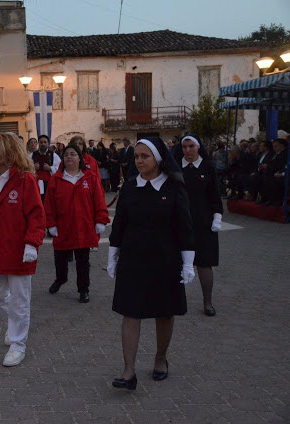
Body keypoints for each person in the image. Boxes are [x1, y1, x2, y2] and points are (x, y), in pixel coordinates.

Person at [107, 137, 194, 390]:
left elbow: (185, 227)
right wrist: (112, 256)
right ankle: (128, 371)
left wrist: (188, 263)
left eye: (145, 156)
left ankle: (160, 359)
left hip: (165, 260)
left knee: (164, 313)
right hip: (133, 260)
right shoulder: (130, 188)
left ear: (158, 158)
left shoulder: (174, 187)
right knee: (130, 312)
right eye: (136, 156)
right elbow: (120, 224)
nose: (139, 161)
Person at [0, 132, 45, 367]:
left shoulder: (25, 180)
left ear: (10, 150)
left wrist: (32, 243)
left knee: (20, 298)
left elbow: (36, 214)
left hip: (19, 250)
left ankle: (18, 344)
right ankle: (16, 321)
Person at [44, 143, 109, 303]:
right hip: (63, 226)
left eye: (73, 154)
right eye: (66, 154)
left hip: (83, 226)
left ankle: (83, 289)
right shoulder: (56, 179)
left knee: (82, 261)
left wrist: (101, 219)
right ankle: (60, 279)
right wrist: (50, 224)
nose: (69, 157)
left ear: (80, 158)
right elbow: (49, 204)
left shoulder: (90, 178)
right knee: (60, 258)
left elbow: (99, 200)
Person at [173, 135, 223, 316]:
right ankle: (173, 302)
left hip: (203, 222)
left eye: (191, 146)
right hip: (180, 221)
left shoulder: (208, 166)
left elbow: (215, 194)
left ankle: (208, 303)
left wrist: (217, 217)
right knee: (175, 263)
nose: (188, 150)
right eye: (185, 147)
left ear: (198, 147)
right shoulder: (176, 166)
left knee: (204, 263)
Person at [30, 134, 61, 200]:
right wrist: (33, 168)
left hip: (49, 183)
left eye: (45, 142)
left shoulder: (54, 155)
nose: (43, 144)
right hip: (35, 182)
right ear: (38, 143)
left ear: (48, 143)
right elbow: (25, 168)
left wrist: (50, 168)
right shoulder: (32, 155)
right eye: (41, 142)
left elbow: (60, 168)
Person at [262, 138, 288, 206]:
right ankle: (267, 198)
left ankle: (275, 200)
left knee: (270, 178)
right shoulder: (275, 153)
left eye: (276, 146)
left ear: (281, 146)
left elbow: (280, 165)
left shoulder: (284, 153)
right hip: (274, 171)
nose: (274, 148)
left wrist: (280, 173)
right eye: (273, 146)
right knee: (260, 176)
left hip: (281, 173)